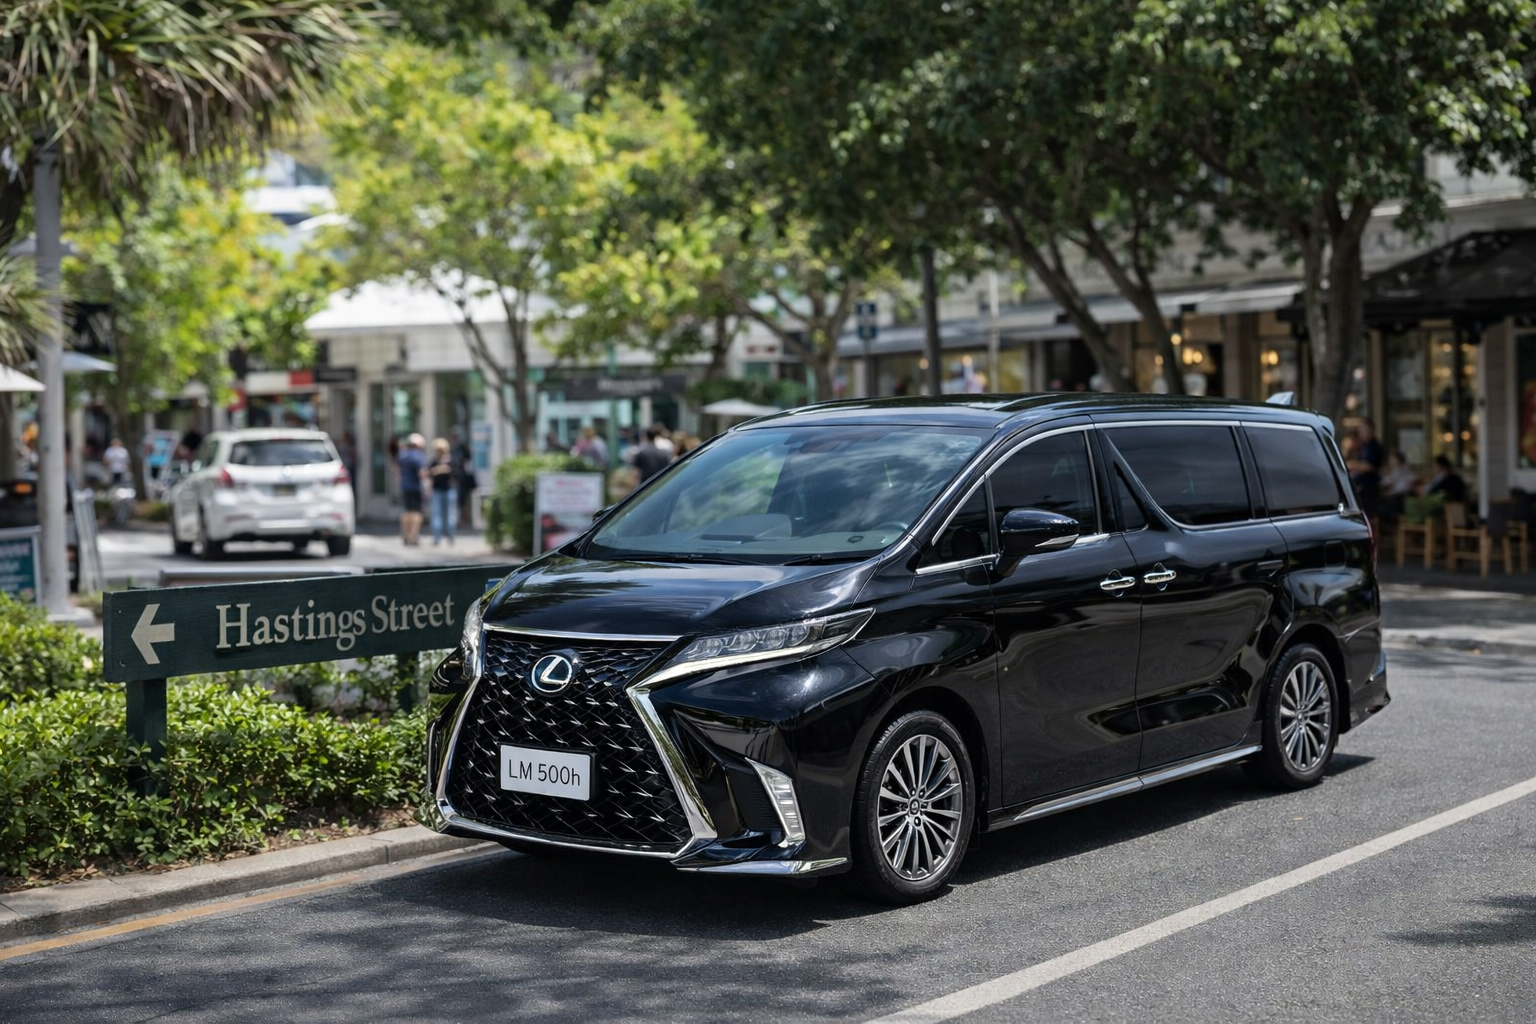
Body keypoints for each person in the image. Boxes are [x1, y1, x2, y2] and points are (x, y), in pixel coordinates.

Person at [1346, 418, 1384, 519]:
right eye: (1360, 431)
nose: (1361, 434)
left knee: (1368, 515)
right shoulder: (1364, 446)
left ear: (1370, 430)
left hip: (1369, 487)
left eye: (1363, 430)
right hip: (1362, 485)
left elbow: (1370, 466)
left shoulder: (1374, 446)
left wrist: (1353, 464)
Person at [396, 433, 427, 546]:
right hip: (415, 487)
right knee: (416, 513)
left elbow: (397, 470)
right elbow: (422, 473)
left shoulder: (402, 455)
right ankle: (413, 536)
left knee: (407, 511)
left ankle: (405, 534)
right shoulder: (417, 456)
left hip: (405, 486)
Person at [426, 437, 458, 546]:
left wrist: (439, 470)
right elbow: (428, 473)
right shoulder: (434, 461)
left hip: (448, 490)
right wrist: (442, 469)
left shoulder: (452, 460)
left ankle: (450, 536)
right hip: (437, 490)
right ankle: (437, 538)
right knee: (437, 515)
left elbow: (456, 473)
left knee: (449, 515)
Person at [1380, 450, 1417, 524]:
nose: (1390, 461)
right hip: (1402, 497)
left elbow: (1394, 485)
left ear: (1397, 459)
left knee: (1381, 507)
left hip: (1400, 499)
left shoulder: (1399, 470)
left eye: (1392, 459)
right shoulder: (1401, 469)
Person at [451, 432, 476, 529]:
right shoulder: (452, 449)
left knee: (461, 500)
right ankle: (458, 519)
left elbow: (467, 462)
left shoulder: (461, 449)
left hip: (462, 479)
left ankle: (461, 519)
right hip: (456, 479)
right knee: (457, 500)